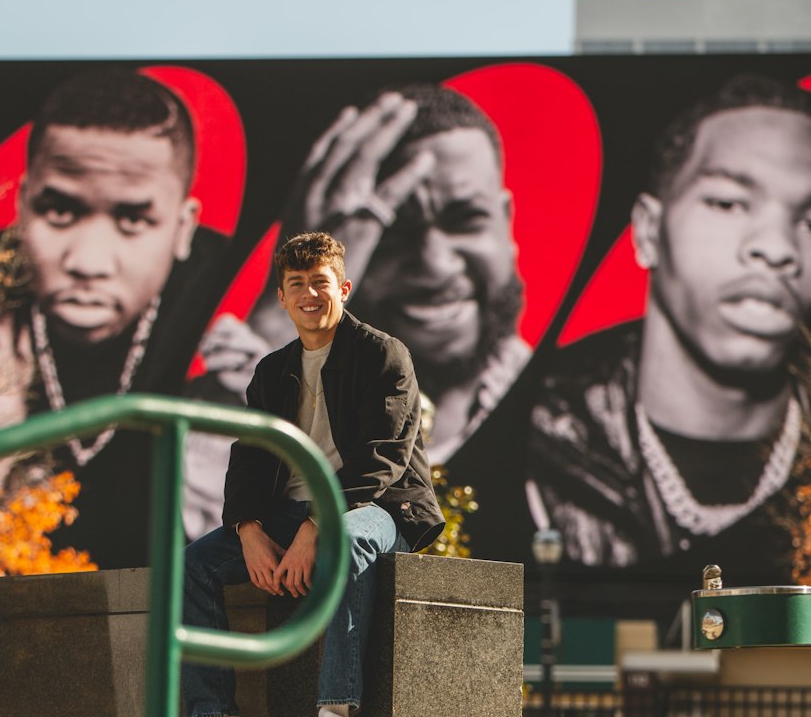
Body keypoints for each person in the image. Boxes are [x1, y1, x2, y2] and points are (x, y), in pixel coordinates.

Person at [182, 83, 529, 540]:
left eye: (466, 219)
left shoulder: (570, 405)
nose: (435, 265)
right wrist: (276, 318)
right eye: (393, 230)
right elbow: (189, 517)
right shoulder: (268, 373)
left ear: (506, 221)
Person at [172, 231, 444, 717]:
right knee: (189, 567)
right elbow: (247, 459)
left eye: (320, 282)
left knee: (344, 543)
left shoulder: (382, 354)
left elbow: (383, 461)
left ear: (342, 288)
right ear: (282, 297)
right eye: (296, 284)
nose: (309, 294)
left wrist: (314, 529)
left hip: (376, 507)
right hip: (285, 514)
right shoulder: (272, 371)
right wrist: (247, 530)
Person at [526, 75, 811, 575]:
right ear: (649, 230)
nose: (777, 248)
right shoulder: (554, 436)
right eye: (728, 202)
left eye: (809, 218)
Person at [8, 67, 226, 567]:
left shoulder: (225, 291)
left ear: (182, 226)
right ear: (21, 207)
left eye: (132, 219)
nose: (88, 261)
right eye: (60, 211)